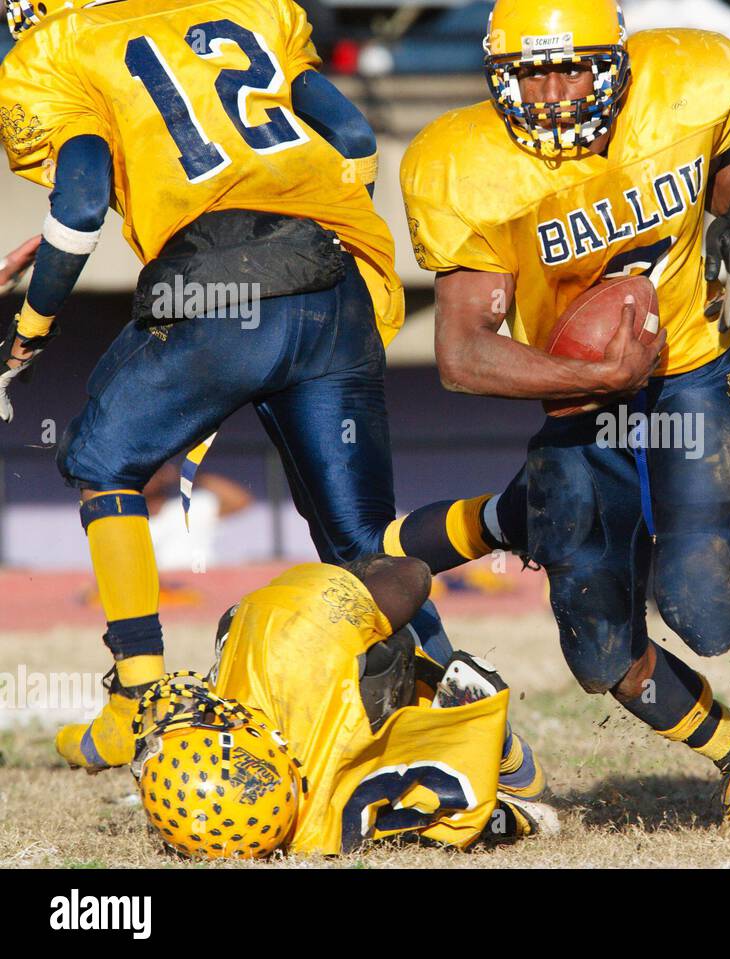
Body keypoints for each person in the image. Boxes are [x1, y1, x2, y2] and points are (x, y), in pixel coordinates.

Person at [394, 0, 730, 832]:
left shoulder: (684, 77)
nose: (551, 95)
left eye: (570, 69)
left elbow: (723, 158)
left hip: (689, 361)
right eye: (530, 75)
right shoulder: (464, 164)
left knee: (703, 615)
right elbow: (462, 353)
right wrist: (595, 372)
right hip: (583, 392)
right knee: (600, 650)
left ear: (616, 66)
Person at [0, 0, 405, 771]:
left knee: (101, 460)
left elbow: (79, 209)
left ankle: (138, 699)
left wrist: (30, 330)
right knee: (365, 550)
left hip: (216, 283)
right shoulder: (248, 7)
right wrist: (317, 231)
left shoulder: (59, 48)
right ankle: (458, 699)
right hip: (332, 279)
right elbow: (354, 138)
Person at [132, 555, 554, 858]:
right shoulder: (287, 653)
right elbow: (413, 573)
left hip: (380, 776)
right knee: (396, 622)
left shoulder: (307, 835)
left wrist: (511, 819)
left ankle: (475, 753)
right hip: (352, 698)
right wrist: (361, 568)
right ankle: (503, 755)